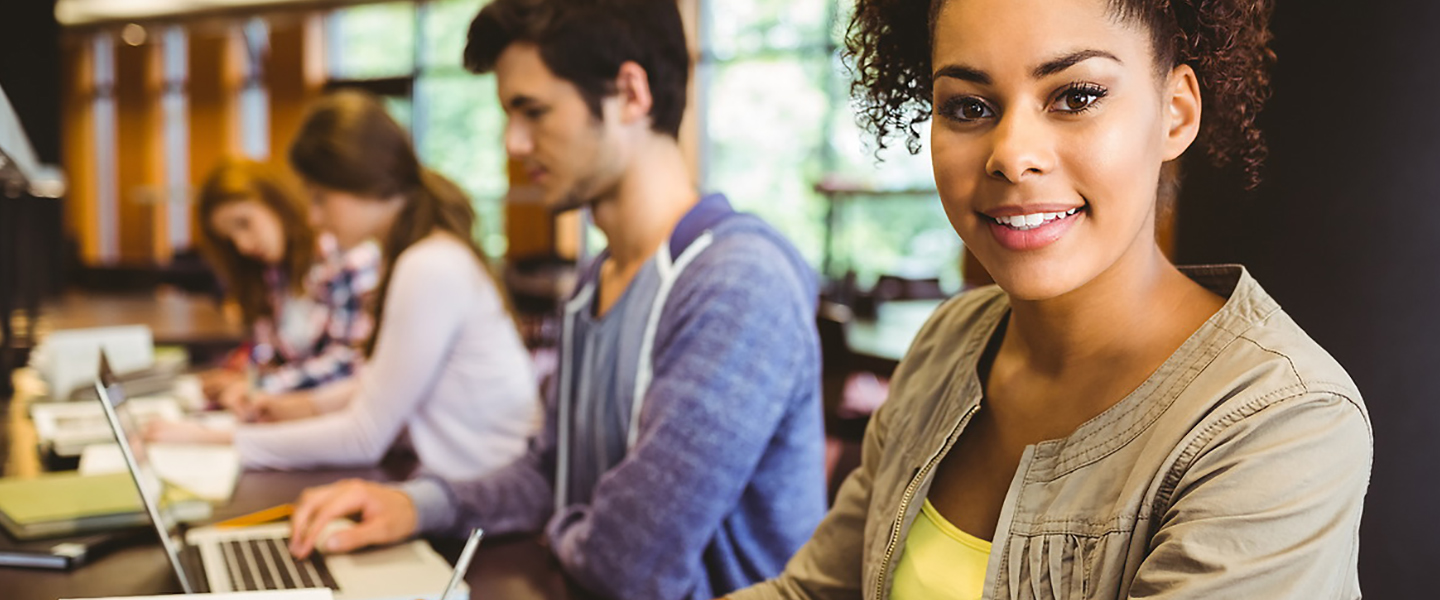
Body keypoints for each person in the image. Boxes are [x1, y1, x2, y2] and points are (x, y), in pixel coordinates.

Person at [729, 0, 1372, 598]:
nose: (1011, 156)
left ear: (1175, 111)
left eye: (1076, 96)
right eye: (969, 108)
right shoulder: (949, 341)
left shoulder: (1281, 421)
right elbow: (814, 592)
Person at [285, 1, 827, 599]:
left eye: (533, 112)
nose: (513, 144)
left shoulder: (736, 283)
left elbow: (628, 564)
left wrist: (565, 523)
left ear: (630, 94)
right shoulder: (597, 280)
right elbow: (550, 476)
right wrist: (414, 506)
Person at [150, 91, 539, 481]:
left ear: (361, 182)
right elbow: (381, 384)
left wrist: (213, 440)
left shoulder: (428, 266)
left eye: (320, 199)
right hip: (464, 486)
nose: (315, 218)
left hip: (485, 501)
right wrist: (298, 407)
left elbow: (363, 438)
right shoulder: (422, 253)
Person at [193, 157, 379, 419]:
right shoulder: (274, 275)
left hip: (341, 425)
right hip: (293, 422)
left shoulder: (347, 258)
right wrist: (244, 378)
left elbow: (349, 365)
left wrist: (258, 386)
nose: (243, 245)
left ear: (276, 203)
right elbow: (282, 358)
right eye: (230, 239)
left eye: (244, 223)